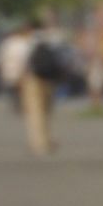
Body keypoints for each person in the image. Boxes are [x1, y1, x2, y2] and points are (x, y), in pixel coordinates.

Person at [17, 21, 61, 157]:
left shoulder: (26, 42)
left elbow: (23, 63)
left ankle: (37, 142)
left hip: (33, 80)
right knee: (46, 112)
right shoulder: (49, 39)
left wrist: (20, 80)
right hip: (48, 80)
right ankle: (46, 140)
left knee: (35, 113)